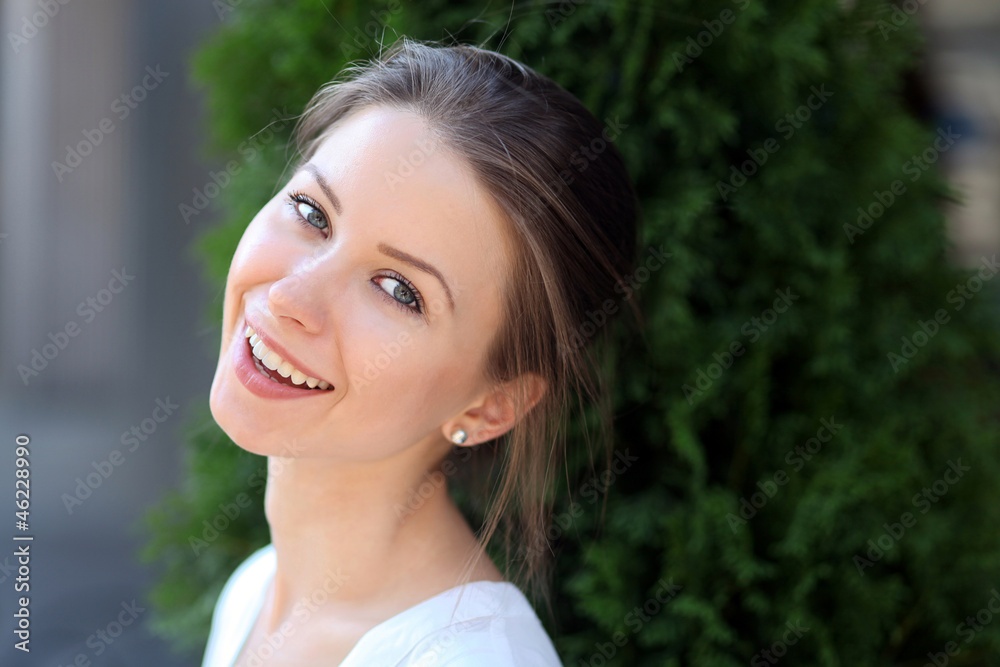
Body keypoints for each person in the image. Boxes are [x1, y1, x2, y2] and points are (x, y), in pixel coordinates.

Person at [202, 35, 640, 666]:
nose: (292, 295)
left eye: (399, 290)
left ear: (492, 405)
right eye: (312, 212)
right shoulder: (255, 591)